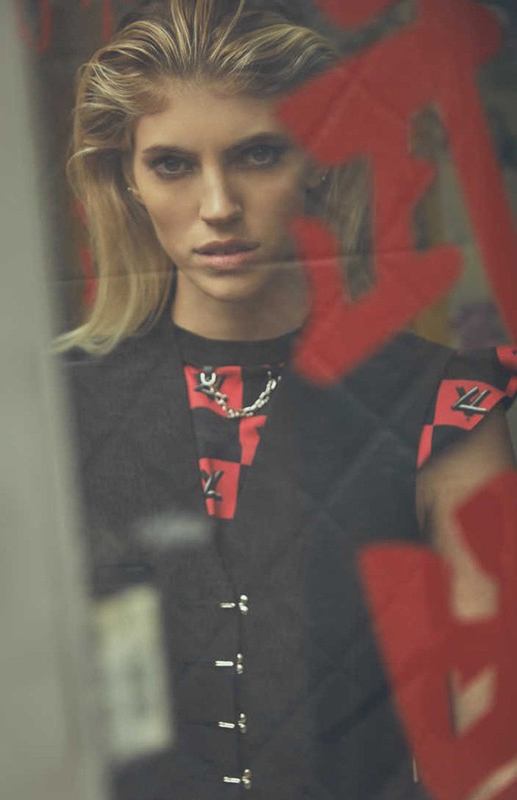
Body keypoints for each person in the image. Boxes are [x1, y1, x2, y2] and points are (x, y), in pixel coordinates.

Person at [56, 1, 517, 798]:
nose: (217, 205)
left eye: (258, 154)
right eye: (172, 165)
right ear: (126, 179)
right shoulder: (56, 403)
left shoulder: (441, 405)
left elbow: (495, 743)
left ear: (317, 162)